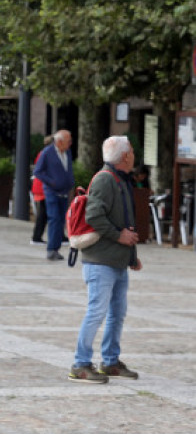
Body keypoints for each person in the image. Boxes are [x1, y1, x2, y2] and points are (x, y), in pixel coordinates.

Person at [69, 135, 141, 383]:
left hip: (117, 261)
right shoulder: (105, 180)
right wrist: (119, 236)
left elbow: (124, 222)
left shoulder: (120, 179)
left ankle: (110, 362)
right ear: (125, 156)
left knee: (116, 313)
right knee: (96, 312)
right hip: (100, 262)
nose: (133, 154)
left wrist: (131, 256)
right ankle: (80, 364)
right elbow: (94, 216)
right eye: (131, 150)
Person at [34, 129, 75, 261]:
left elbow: (68, 168)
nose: (70, 144)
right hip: (51, 191)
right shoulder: (47, 153)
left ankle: (55, 248)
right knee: (54, 218)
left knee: (61, 220)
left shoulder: (67, 152)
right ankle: (51, 249)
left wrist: (70, 182)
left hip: (64, 191)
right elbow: (38, 171)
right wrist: (51, 182)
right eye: (68, 141)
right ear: (59, 142)